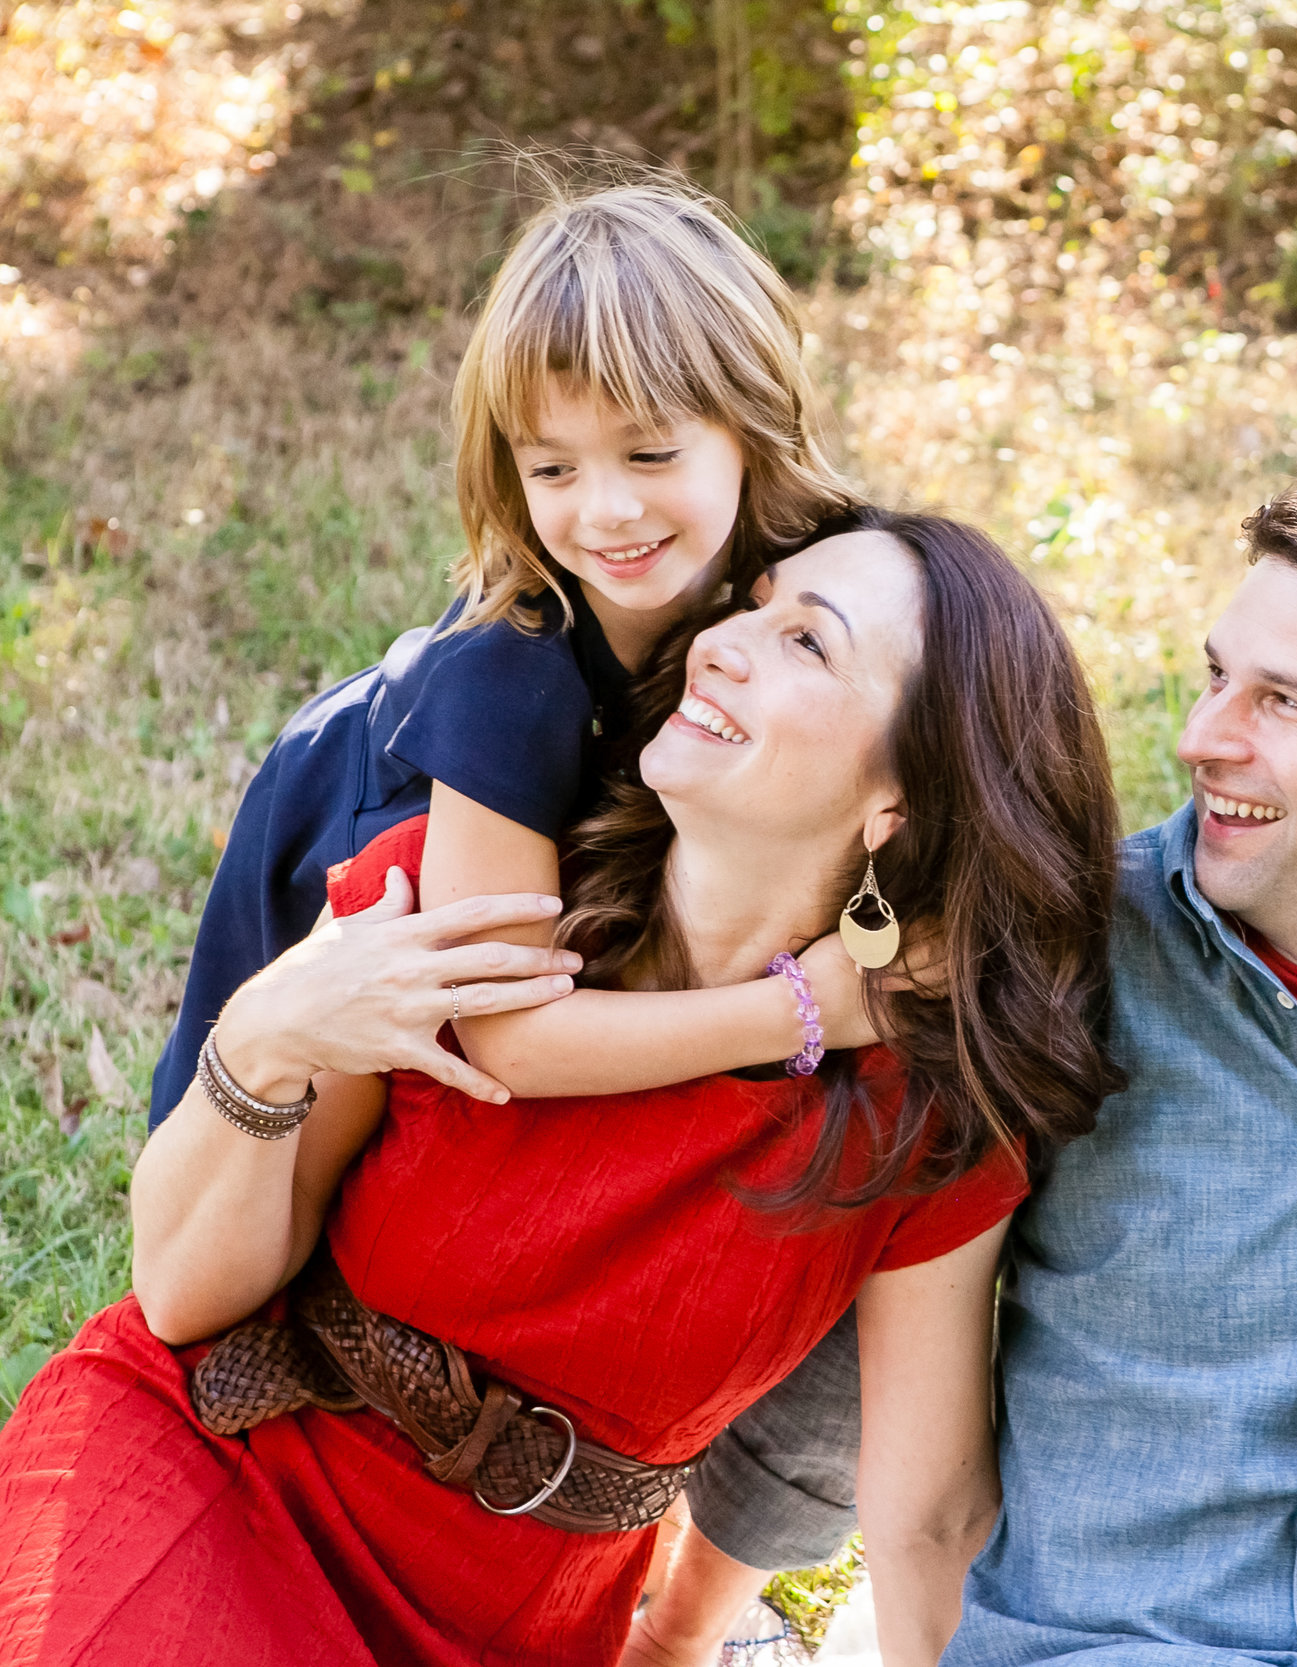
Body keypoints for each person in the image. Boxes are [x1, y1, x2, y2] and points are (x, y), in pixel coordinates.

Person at [0, 510, 1126, 1667]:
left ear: (902, 805)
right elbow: (184, 1301)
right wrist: (267, 1038)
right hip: (229, 1483)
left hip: (523, 1617)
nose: (726, 639)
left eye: (809, 643)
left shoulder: (917, 1118)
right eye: (755, 602)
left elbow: (927, 1514)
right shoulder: (466, 916)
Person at [632, 480, 1297, 1664]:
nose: (1201, 738)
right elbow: (874, 1329)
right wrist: (679, 1629)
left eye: (1283, 703)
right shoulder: (1060, 950)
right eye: (1216, 677)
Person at [149, 178, 869, 1126]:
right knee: (350, 1103)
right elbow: (512, 1034)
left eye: (651, 455)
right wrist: (804, 1010)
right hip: (364, 848)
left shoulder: (818, 566)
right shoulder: (509, 672)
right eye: (553, 469)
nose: (608, 510)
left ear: (752, 424)